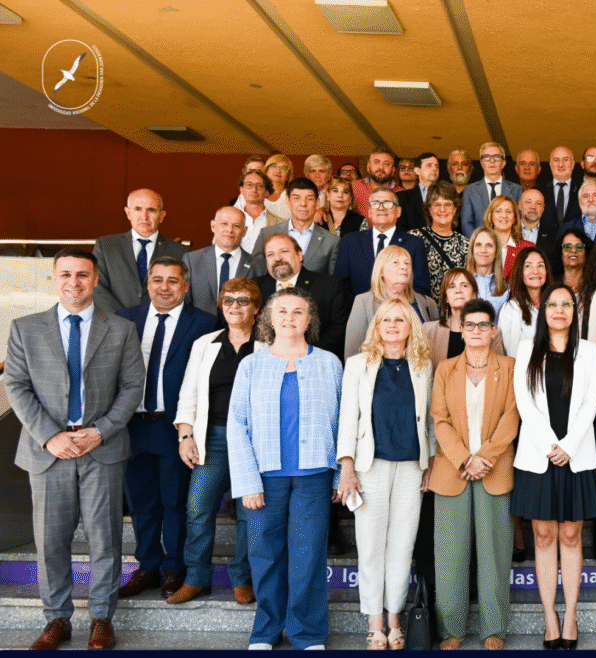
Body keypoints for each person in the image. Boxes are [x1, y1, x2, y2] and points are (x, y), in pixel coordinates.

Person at [7, 248, 145, 650]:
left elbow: (132, 388)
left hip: (101, 446)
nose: (74, 282)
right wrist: (50, 435)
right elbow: (16, 386)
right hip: (47, 449)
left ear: (96, 280)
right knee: (50, 540)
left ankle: (101, 617)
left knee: (105, 538)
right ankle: (57, 620)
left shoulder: (119, 329)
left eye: (82, 274)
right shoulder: (25, 328)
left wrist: (100, 430)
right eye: (65, 274)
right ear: (54, 278)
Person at [227, 287, 343, 650]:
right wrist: (247, 481)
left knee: (308, 556)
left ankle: (307, 634)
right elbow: (237, 424)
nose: (290, 318)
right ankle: (266, 631)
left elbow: (343, 424)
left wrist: (342, 474)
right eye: (282, 311)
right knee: (264, 555)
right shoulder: (251, 365)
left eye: (298, 312)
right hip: (265, 478)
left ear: (310, 320)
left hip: (313, 476)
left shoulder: (329, 363)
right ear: (269, 319)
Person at [116, 258, 218, 600]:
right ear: (148, 285)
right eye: (157, 280)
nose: (164, 287)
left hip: (175, 427)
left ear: (185, 286)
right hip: (132, 425)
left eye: (173, 281)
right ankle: (147, 567)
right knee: (141, 502)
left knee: (175, 501)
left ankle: (175, 567)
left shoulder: (204, 323)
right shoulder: (126, 320)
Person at [336, 299, 434, 650]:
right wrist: (346, 466)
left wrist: (431, 463)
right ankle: (374, 622)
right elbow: (348, 418)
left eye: (400, 320)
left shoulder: (423, 366)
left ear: (411, 327)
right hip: (369, 466)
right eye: (386, 319)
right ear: (376, 326)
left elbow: (431, 420)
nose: (392, 325)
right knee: (371, 547)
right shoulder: (358, 365)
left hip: (411, 466)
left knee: (402, 546)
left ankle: (395, 619)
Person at [511, 285, 596, 650]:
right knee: (544, 535)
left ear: (575, 311)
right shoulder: (526, 349)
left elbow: (591, 403)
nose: (560, 310)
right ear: (544, 310)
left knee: (570, 535)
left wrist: (567, 445)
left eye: (567, 304)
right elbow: (524, 401)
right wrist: (551, 444)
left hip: (577, 456)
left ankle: (571, 614)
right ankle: (549, 615)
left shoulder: (590, 351)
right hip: (538, 456)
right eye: (553, 304)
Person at [430, 298, 519, 651]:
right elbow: (440, 418)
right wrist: (465, 459)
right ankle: (451, 627)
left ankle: (493, 627)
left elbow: (512, 416)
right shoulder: (445, 369)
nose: (478, 331)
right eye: (471, 325)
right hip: (453, 470)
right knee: (450, 554)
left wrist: (484, 457)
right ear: (461, 330)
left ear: (494, 330)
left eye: (484, 325)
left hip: (495, 469)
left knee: (494, 553)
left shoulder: (510, 367)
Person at [168, 277, 262, 606]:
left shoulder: (270, 344)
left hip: (255, 442)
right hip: (213, 437)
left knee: (251, 511)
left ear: (256, 307)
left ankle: (243, 577)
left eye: (243, 300)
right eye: (228, 300)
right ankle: (196, 577)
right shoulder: (205, 344)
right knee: (198, 508)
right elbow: (188, 393)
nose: (234, 306)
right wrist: (186, 434)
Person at [255, 233, 350, 361]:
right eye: (270, 254)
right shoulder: (254, 288)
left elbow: (340, 329)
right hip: (265, 362)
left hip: (314, 362)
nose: (277, 258)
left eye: (284, 251)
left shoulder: (330, 286)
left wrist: (304, 355)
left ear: (299, 255)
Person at [92, 188, 190, 313]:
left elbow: (183, 293)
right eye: (138, 209)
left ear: (162, 216)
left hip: (160, 324)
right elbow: (97, 287)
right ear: (128, 213)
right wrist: (124, 319)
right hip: (116, 324)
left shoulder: (180, 251)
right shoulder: (106, 246)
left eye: (151, 210)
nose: (144, 216)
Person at [344, 245, 439, 359]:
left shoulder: (428, 303)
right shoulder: (363, 302)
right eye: (396, 262)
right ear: (381, 271)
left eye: (407, 263)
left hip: (421, 372)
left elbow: (436, 349)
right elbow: (352, 352)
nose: (404, 267)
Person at [333, 186, 429, 298]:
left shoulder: (414, 244)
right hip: (360, 312)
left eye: (387, 203)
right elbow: (340, 285)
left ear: (398, 211)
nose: (381, 208)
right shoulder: (350, 242)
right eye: (375, 204)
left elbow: (421, 288)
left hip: (400, 312)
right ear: (369, 212)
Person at [253, 177, 341, 278]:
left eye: (309, 199)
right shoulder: (267, 234)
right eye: (296, 198)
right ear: (287, 201)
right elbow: (257, 273)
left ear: (317, 203)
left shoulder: (332, 242)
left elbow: (334, 283)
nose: (303, 204)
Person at [422, 268, 505, 366]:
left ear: (474, 294)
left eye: (464, 285)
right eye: (452, 286)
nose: (458, 291)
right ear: (446, 298)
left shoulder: (492, 332)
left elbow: (499, 371)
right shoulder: (429, 331)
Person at [183, 207, 256, 317]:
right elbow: (183, 301)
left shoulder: (258, 265)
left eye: (236, 226)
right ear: (213, 226)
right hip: (200, 331)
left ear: (244, 231)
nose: (230, 230)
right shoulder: (192, 260)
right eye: (224, 224)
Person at [409, 180, 469, 301]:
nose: (442, 209)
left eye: (447, 204)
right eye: (437, 204)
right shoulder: (413, 238)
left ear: (455, 209)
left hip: (454, 312)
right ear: (429, 209)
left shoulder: (466, 245)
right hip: (422, 310)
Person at [461, 142, 523, 237]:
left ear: (503, 163)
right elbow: (466, 223)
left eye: (497, 157)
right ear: (481, 163)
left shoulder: (517, 190)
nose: (492, 161)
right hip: (480, 247)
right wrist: (480, 242)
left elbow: (519, 222)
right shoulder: (470, 190)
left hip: (510, 246)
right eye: (487, 157)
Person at [499, 247, 551, 356]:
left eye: (540, 265)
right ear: (520, 272)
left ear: (546, 271)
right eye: (528, 266)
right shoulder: (510, 308)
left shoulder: (556, 304)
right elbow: (509, 353)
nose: (535, 271)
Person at [485, 194, 535, 278]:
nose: (504, 216)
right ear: (491, 216)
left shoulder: (528, 248)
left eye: (508, 211)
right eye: (498, 211)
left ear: (514, 218)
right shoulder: (480, 247)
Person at [466, 226, 512, 315]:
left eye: (489, 245)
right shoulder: (460, 283)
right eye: (478, 245)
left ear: (496, 252)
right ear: (472, 250)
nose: (483, 250)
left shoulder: (506, 289)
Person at [236, 170, 277, 254]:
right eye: (249, 185)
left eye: (260, 186)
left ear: (267, 192)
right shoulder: (229, 219)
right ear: (242, 190)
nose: (254, 190)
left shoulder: (279, 223)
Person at [540, 146, 581, 225]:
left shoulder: (582, 191)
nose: (561, 164)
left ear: (572, 164)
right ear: (551, 165)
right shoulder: (540, 192)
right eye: (556, 160)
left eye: (565, 160)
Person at [555, 228, 591, 293]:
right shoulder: (551, 283)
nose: (573, 250)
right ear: (560, 253)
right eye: (567, 247)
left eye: (579, 247)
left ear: (586, 253)